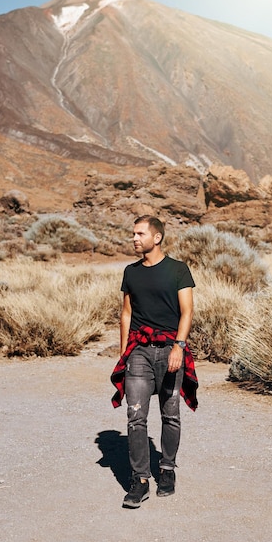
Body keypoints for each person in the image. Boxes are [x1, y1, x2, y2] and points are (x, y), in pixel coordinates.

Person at [111, 215, 198, 509]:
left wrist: (179, 347)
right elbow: (126, 313)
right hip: (139, 352)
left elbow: (187, 312)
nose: (134, 238)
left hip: (171, 349)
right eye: (133, 233)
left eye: (139, 234)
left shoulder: (178, 270)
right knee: (135, 416)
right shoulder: (130, 272)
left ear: (156, 238)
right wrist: (124, 353)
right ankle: (140, 480)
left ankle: (168, 470)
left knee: (170, 414)